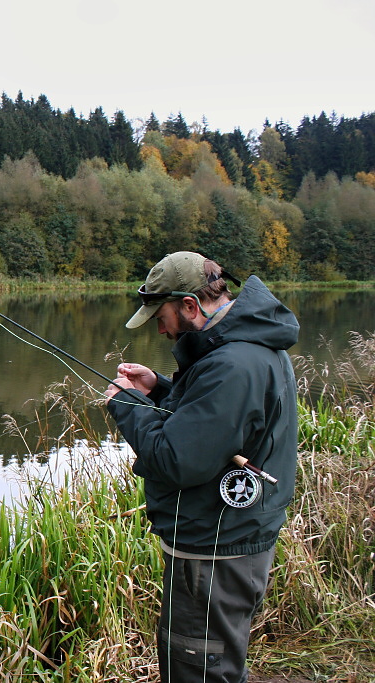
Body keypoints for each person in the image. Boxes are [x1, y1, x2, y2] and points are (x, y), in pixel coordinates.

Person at [104, 251, 299, 682]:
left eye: (162, 315)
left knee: (199, 669)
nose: (159, 327)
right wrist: (158, 390)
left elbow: (177, 459)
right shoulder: (247, 347)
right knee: (214, 664)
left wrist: (125, 403)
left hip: (215, 547)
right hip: (229, 537)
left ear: (191, 306)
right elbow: (217, 424)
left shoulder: (233, 364)